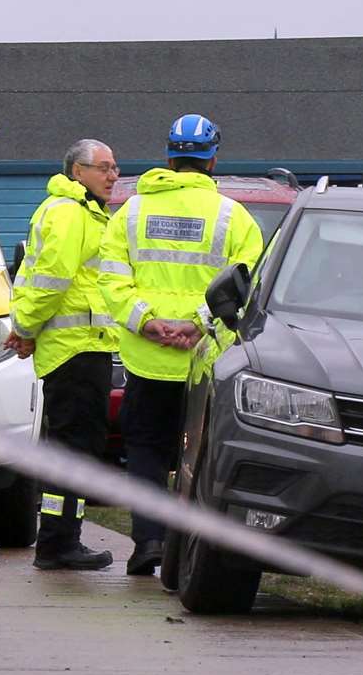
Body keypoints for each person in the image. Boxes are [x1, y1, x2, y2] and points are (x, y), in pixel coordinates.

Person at [98, 113, 263, 575]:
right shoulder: (235, 217)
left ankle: (148, 541)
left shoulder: (130, 211)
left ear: (169, 157)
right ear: (213, 160)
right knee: (198, 455)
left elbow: (110, 279)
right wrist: (198, 324)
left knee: (147, 451)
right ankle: (183, 549)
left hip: (146, 358)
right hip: (204, 360)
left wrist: (147, 324)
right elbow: (244, 286)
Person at [5, 139, 122, 571]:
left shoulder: (77, 211)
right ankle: (58, 543)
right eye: (104, 168)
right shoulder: (71, 213)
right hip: (76, 351)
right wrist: (24, 329)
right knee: (74, 449)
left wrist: (28, 329)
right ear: (78, 171)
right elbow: (52, 279)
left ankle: (60, 539)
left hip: (77, 349)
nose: (112, 176)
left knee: (75, 448)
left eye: (114, 168)